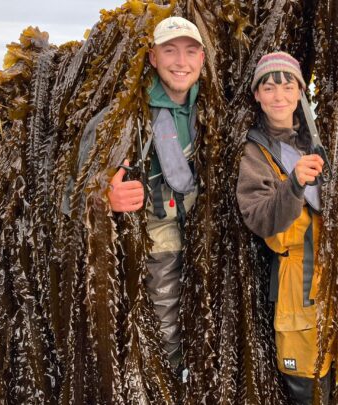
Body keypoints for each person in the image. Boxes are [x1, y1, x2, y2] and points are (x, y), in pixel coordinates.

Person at [64, 16, 205, 373]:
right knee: (162, 346)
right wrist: (103, 197)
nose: (181, 62)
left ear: (202, 59)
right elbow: (71, 193)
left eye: (190, 51)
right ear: (153, 58)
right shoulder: (123, 116)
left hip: (210, 246)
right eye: (169, 50)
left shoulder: (216, 110)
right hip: (155, 246)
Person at [236, 52, 336, 404]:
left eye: (287, 84)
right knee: (305, 378)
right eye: (269, 86)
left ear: (299, 93)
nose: (279, 95)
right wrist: (293, 184)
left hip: (336, 279)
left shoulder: (314, 140)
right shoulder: (254, 152)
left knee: (336, 369)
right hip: (296, 281)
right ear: (257, 95)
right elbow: (259, 217)